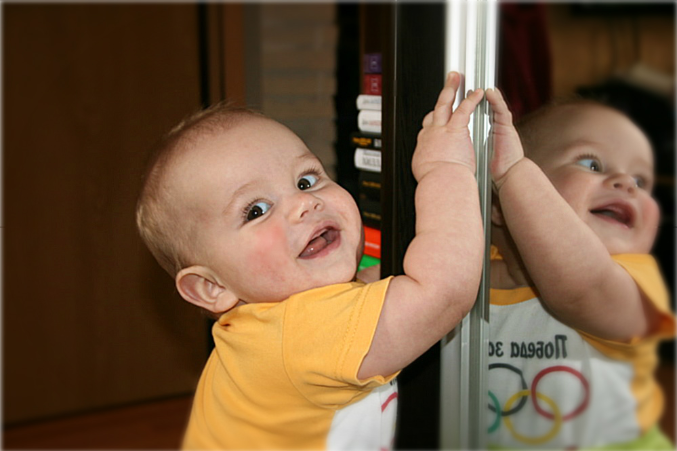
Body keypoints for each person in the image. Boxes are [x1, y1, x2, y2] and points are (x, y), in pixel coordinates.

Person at [135, 72, 485, 449]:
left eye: (306, 180)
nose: (304, 202)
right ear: (212, 286)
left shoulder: (261, 329)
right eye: (256, 210)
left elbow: (369, 289)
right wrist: (444, 169)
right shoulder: (302, 335)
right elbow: (444, 291)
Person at [484, 89, 675, 449]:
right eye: (591, 164)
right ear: (498, 206)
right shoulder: (474, 276)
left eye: (641, 181)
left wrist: (512, 176)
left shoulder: (635, 284)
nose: (626, 184)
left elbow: (579, 288)